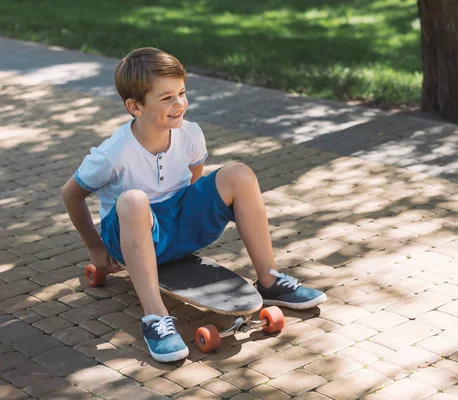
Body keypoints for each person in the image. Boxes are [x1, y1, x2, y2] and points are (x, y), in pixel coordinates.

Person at [61, 47, 327, 363]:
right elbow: (71, 195)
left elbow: (193, 180)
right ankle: (155, 318)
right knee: (134, 199)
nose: (179, 104)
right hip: (130, 233)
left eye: (182, 93)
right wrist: (95, 247)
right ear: (135, 106)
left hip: (178, 227)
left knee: (238, 173)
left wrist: (189, 214)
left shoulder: (190, 134)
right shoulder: (112, 154)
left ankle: (270, 280)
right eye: (166, 98)